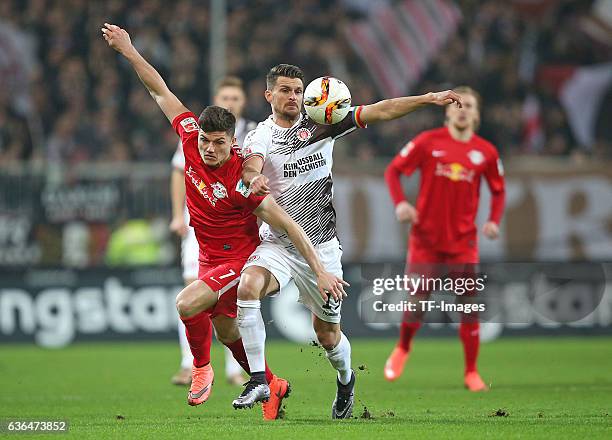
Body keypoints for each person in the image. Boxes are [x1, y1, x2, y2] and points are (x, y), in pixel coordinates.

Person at [101, 24, 347, 420]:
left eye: (219, 143)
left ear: (233, 142)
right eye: (205, 141)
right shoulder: (188, 137)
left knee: (186, 303)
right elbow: (159, 90)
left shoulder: (241, 179)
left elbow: (287, 221)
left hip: (240, 258)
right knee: (226, 331)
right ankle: (271, 384)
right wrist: (129, 50)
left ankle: (200, 370)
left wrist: (317, 267)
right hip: (207, 255)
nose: (210, 149)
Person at [234, 63, 464, 418]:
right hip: (279, 245)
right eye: (284, 90)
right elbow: (251, 165)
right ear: (269, 95)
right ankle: (259, 379)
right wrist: (255, 179)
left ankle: (345, 381)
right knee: (247, 287)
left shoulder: (322, 123)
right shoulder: (260, 135)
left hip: (322, 247)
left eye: (298, 90)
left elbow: (382, 108)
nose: (293, 97)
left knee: (327, 336)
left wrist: (428, 99)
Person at [383, 86, 505, 391]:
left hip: (463, 242)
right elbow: (393, 171)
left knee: (469, 305)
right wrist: (400, 203)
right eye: (456, 104)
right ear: (447, 110)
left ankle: (471, 372)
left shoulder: (487, 152)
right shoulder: (428, 142)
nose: (462, 109)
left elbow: (498, 189)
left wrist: (493, 220)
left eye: (469, 105)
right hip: (426, 239)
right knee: (417, 301)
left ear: (477, 115)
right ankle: (403, 348)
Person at [169, 77, 257, 387]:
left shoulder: (255, 137)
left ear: (243, 102)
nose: (230, 101)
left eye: (236, 97)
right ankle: (192, 364)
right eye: (225, 96)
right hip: (198, 229)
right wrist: (176, 215)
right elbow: (179, 172)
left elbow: (264, 194)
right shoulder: (198, 135)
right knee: (193, 293)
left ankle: (240, 371)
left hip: (235, 237)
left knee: (223, 311)